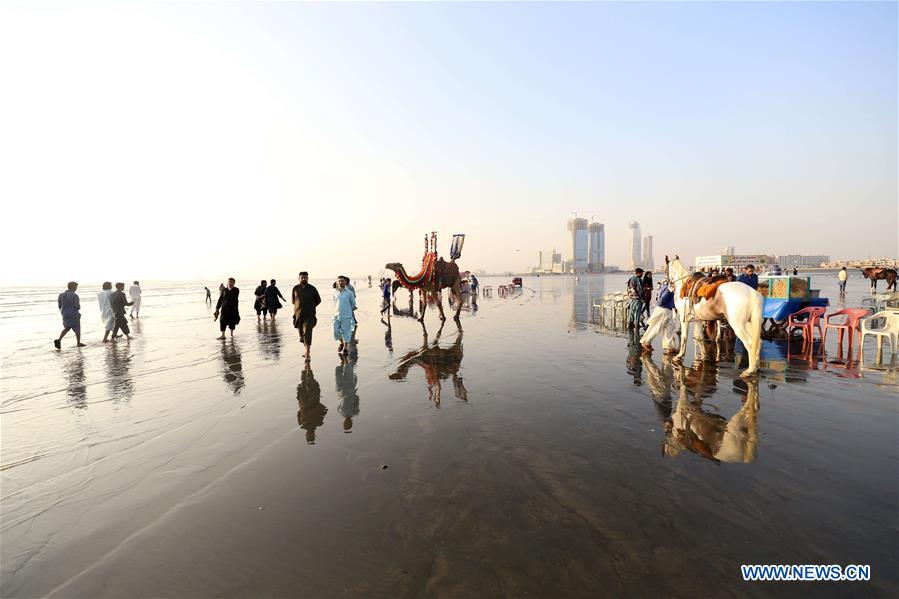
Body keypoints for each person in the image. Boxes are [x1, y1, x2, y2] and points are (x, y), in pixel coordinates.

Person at [640, 279, 679, 354]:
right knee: (657, 327)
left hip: (667, 310)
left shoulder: (664, 287)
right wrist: (669, 291)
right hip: (664, 310)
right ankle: (646, 342)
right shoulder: (668, 288)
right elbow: (661, 301)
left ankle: (669, 347)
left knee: (669, 328)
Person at [292, 271, 322, 361]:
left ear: (308, 278)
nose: (304, 279)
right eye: (302, 277)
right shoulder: (295, 288)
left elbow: (318, 300)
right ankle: (306, 350)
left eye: (305, 277)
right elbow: (294, 301)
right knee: (302, 336)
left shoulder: (312, 288)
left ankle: (307, 354)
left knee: (307, 332)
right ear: (299, 278)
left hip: (309, 315)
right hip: (298, 315)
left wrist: (310, 306)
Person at [55, 281, 85, 349]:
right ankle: (78, 343)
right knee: (77, 329)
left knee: (67, 328)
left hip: (65, 314)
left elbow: (59, 306)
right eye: (76, 287)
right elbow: (77, 306)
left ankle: (59, 340)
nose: (76, 288)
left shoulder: (61, 295)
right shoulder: (75, 295)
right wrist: (78, 307)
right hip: (73, 314)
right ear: (73, 287)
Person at [333, 276, 356, 355]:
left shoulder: (349, 293)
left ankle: (345, 347)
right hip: (336, 315)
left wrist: (349, 312)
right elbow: (335, 303)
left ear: (345, 282)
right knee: (336, 331)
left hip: (346, 315)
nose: (341, 282)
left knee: (346, 331)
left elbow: (353, 304)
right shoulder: (335, 292)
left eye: (342, 281)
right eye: (339, 281)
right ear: (337, 282)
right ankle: (342, 342)